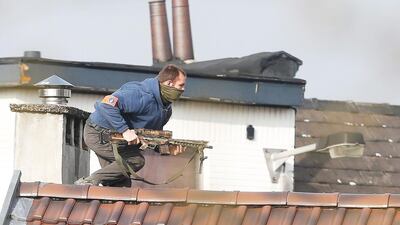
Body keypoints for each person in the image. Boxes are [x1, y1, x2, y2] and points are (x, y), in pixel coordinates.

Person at [75, 64, 187, 186]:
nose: (183, 89)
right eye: (181, 85)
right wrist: (125, 130)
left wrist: (167, 149)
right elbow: (106, 104)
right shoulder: (140, 93)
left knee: (121, 186)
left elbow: (151, 138)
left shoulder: (165, 110)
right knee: (135, 161)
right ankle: (87, 183)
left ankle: (92, 188)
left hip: (118, 141)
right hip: (99, 134)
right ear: (170, 84)